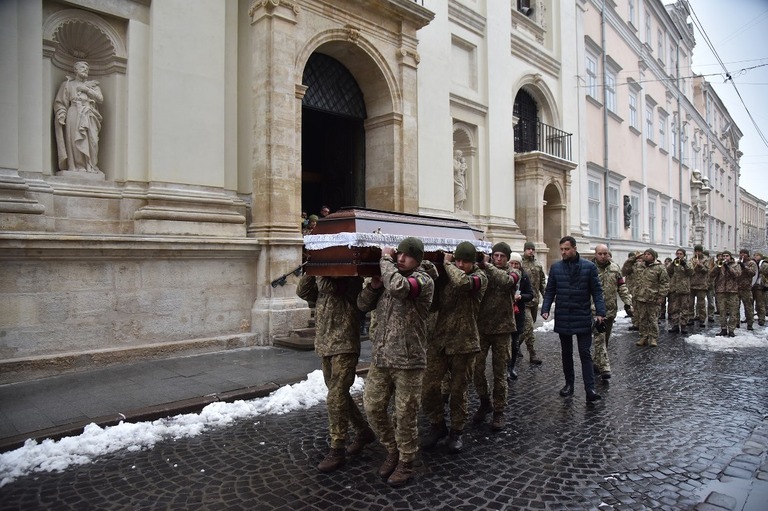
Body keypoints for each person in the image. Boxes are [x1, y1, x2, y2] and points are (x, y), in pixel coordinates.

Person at [357, 237, 435, 487]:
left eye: (407, 255)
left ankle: (406, 462)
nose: (400, 258)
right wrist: (374, 286)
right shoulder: (389, 277)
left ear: (418, 259)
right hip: (382, 358)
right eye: (398, 254)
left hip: (409, 361)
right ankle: (392, 449)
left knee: (405, 415)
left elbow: (400, 288)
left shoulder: (423, 280)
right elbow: (361, 305)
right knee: (372, 407)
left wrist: (385, 260)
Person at [296, 273, 373, 473]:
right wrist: (309, 271)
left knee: (336, 396)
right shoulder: (323, 277)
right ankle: (363, 431)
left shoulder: (349, 279)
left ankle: (337, 448)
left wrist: (321, 269)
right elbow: (304, 292)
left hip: (344, 344)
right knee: (338, 394)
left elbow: (331, 287)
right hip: (325, 343)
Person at [421, 241, 487, 453]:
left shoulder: (479, 277)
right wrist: (430, 276)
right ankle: (437, 425)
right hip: (440, 342)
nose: (460, 264)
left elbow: (462, 283)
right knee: (428, 387)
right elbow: (433, 305)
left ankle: (456, 431)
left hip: (464, 343)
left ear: (473, 262)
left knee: (459, 391)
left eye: (464, 261)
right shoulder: (447, 277)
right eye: (457, 260)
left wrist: (448, 264)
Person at [540, 236, 606, 402]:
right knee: (566, 353)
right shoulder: (556, 268)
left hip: (582, 314)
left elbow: (597, 291)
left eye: (566, 249)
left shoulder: (589, 267)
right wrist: (545, 308)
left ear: (574, 248)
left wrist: (600, 312)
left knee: (585, 353)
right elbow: (550, 291)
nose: (563, 252)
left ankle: (590, 388)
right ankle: (569, 384)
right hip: (563, 315)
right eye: (561, 249)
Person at [472, 242, 520, 431]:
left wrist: (487, 266)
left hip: (502, 329)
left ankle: (499, 410)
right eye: (495, 255)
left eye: (502, 256)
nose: (498, 259)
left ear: (507, 258)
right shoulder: (484, 270)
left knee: (500, 373)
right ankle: (485, 401)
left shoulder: (514, 272)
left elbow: (506, 281)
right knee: (477, 369)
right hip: (482, 328)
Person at [54, 61, 104, 174]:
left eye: (87, 68)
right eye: (82, 67)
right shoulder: (67, 84)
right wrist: (61, 113)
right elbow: (60, 102)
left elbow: (100, 99)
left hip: (89, 113)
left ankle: (91, 165)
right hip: (74, 112)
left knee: (93, 141)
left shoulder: (93, 85)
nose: (85, 69)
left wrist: (86, 89)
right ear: (75, 70)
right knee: (74, 141)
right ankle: (78, 166)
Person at [592, 245, 632, 380]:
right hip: (594, 311)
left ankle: (597, 362)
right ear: (595, 254)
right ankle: (605, 367)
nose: (603, 256)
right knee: (600, 337)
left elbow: (622, 287)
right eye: (600, 254)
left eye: (605, 253)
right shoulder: (589, 268)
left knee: (605, 339)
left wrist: (628, 302)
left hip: (610, 310)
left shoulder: (615, 268)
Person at [623, 248, 669, 348]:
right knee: (642, 318)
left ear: (654, 256)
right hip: (640, 297)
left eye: (649, 254)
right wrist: (633, 258)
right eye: (645, 254)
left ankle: (653, 337)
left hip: (653, 298)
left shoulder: (659, 267)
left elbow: (664, 283)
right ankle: (643, 336)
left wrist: (661, 296)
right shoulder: (638, 266)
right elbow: (625, 270)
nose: (646, 256)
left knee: (653, 318)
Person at [520, 241, 546, 364]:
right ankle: (532, 353)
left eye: (532, 249)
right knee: (529, 327)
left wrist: (546, 297)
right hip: (524, 301)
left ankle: (515, 345)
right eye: (528, 249)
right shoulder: (520, 264)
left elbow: (542, 282)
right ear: (524, 250)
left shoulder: (538, 265)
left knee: (527, 328)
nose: (531, 251)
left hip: (535, 301)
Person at [507, 252, 532, 381]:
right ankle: (503, 367)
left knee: (514, 343)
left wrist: (521, 297)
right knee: (505, 343)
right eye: (512, 263)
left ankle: (511, 367)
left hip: (518, 313)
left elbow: (530, 294)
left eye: (517, 264)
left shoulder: (524, 277)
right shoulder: (505, 274)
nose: (514, 266)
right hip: (505, 314)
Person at [709, 250, 742, 336]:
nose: (725, 258)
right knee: (722, 311)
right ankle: (723, 329)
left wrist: (728, 267)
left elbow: (737, 275)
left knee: (733, 311)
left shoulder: (736, 265)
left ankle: (731, 330)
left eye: (727, 256)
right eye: (723, 256)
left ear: (730, 257)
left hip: (732, 291)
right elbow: (711, 274)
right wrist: (717, 267)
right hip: (721, 291)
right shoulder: (719, 265)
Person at [666, 248, 693, 334]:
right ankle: (675, 325)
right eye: (677, 254)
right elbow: (668, 271)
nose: (679, 255)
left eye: (681, 254)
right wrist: (672, 265)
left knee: (684, 308)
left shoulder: (688, 263)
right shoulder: (674, 263)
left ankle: (684, 325)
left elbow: (691, 272)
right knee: (674, 308)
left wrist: (684, 265)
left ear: (684, 255)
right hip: (674, 289)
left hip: (684, 289)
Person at [688, 245, 710, 327]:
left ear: (701, 251)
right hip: (692, 284)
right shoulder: (691, 259)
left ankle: (702, 319)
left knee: (701, 303)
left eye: (699, 251)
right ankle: (690, 317)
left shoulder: (706, 259)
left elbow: (706, 271)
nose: (697, 253)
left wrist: (700, 264)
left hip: (701, 284)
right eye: (696, 251)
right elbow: (689, 270)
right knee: (690, 303)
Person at [736, 249, 757, 330]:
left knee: (748, 307)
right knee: (735, 307)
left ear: (747, 254)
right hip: (737, 287)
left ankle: (750, 324)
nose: (742, 255)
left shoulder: (751, 263)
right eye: (741, 253)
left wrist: (744, 267)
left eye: (744, 253)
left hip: (746, 288)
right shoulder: (737, 262)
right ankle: (736, 322)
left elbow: (753, 273)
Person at [622, 251, 643, 331]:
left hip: (643, 291)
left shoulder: (646, 266)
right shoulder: (631, 266)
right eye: (638, 258)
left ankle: (643, 324)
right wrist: (631, 260)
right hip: (632, 290)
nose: (639, 260)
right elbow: (624, 272)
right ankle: (635, 323)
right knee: (633, 308)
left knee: (642, 309)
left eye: (641, 258)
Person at [754, 252, 767, 326]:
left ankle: (761, 318)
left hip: (761, 286)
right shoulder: (754, 263)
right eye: (755, 255)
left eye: (757, 255)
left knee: (760, 303)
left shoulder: (764, 264)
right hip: (754, 286)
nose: (755, 257)